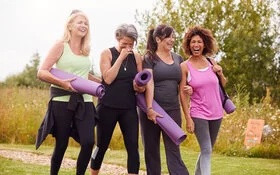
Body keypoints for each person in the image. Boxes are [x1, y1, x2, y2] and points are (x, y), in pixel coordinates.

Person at [36, 10, 97, 175]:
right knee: (61, 144)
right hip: (62, 102)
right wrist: (62, 83)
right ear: (70, 25)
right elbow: (42, 72)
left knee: (88, 141)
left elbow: (83, 74)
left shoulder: (86, 50)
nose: (83, 25)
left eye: (86, 23)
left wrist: (102, 82)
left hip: (85, 101)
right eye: (80, 22)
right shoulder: (60, 45)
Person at [90, 24, 145, 175]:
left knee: (133, 146)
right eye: (124, 44)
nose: (128, 47)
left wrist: (140, 87)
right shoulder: (106, 53)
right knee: (101, 145)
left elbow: (141, 83)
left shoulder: (137, 57)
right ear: (117, 39)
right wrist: (120, 58)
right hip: (107, 106)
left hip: (128, 108)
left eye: (131, 44)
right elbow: (107, 79)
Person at [138, 24, 190, 175]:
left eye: (173, 36)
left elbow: (182, 84)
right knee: (151, 149)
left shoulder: (178, 58)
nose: (172, 40)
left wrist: (189, 89)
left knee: (174, 148)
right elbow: (149, 82)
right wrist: (149, 108)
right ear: (158, 39)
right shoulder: (149, 58)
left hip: (173, 109)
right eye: (169, 37)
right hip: (153, 109)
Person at [179, 25, 227, 175]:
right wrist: (187, 118)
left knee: (207, 150)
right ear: (188, 45)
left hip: (217, 113)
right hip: (198, 113)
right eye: (193, 42)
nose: (196, 45)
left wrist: (220, 73)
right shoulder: (184, 66)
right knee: (206, 149)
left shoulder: (211, 62)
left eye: (199, 42)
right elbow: (182, 93)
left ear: (204, 44)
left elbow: (222, 85)